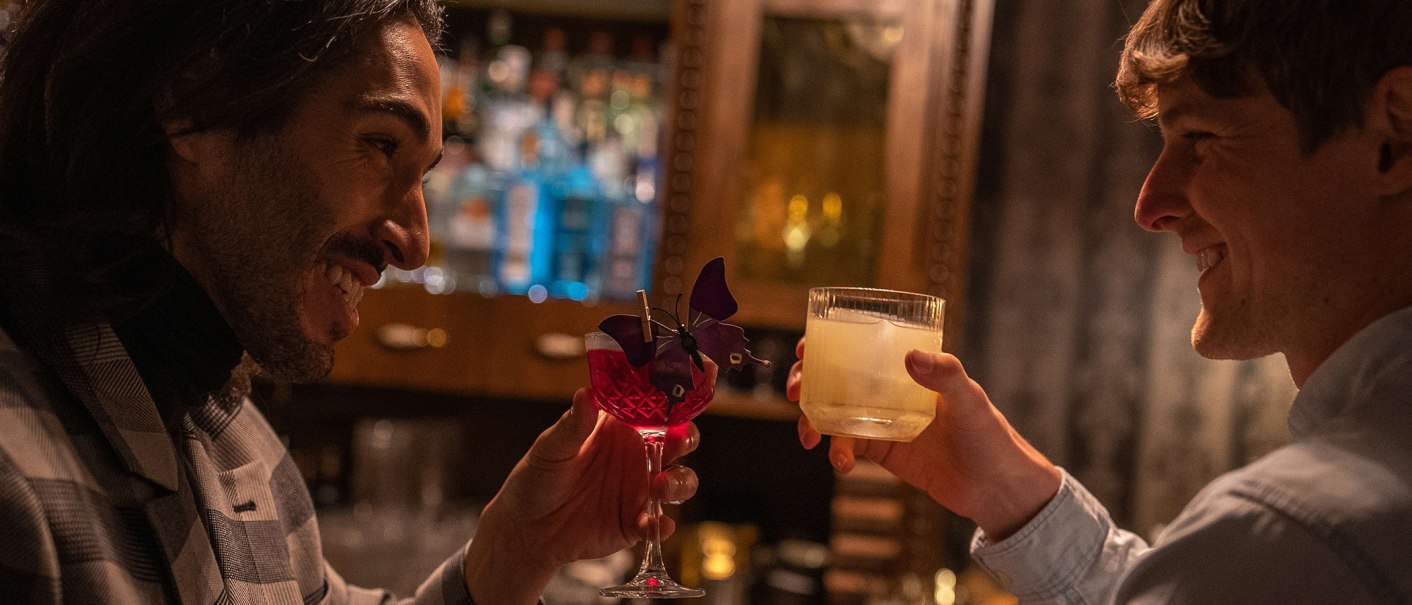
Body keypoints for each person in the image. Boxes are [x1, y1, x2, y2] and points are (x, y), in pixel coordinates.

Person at [0, 1, 699, 604]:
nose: (416, 243)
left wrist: (516, 547)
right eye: (379, 144)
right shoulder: (19, 486)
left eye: (425, 176)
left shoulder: (242, 446)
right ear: (195, 105)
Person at [789, 0, 1412, 602]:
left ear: (1395, 135)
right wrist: (1008, 493)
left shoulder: (1303, 540)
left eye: (1202, 135)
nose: (1149, 206)